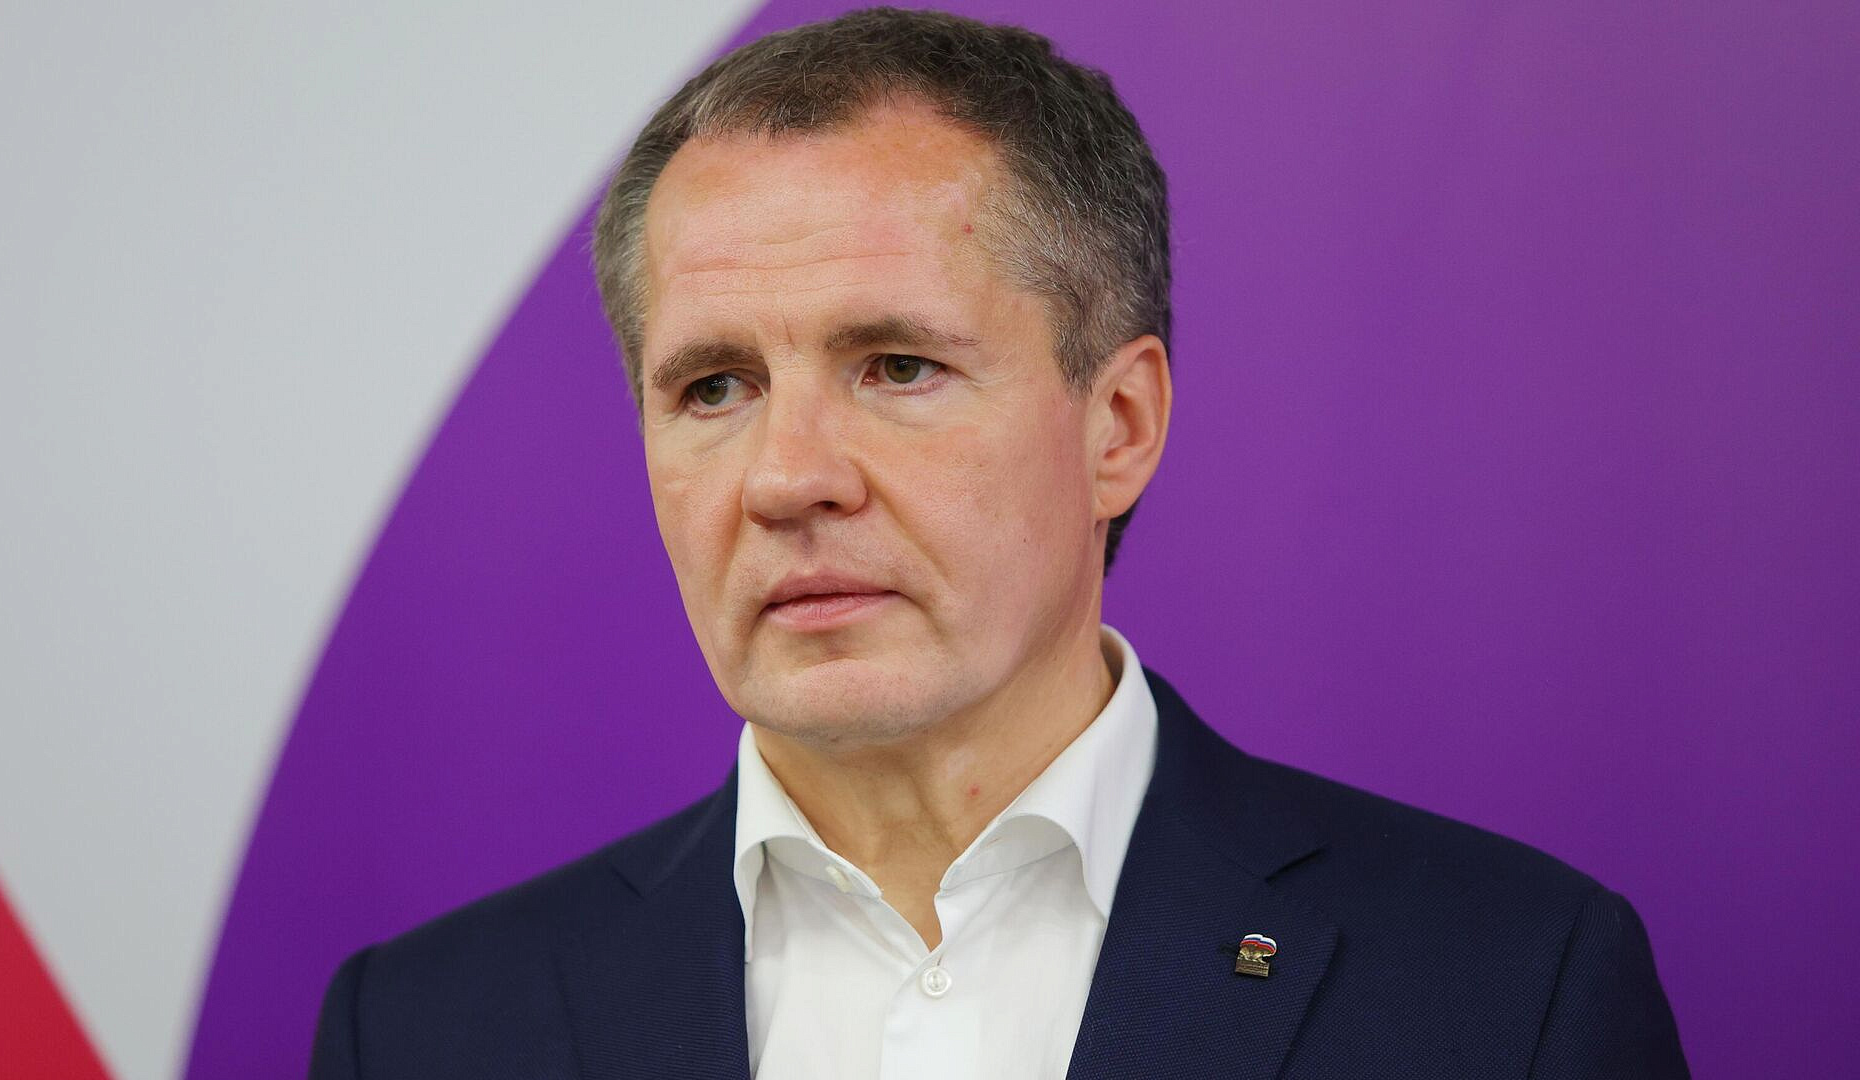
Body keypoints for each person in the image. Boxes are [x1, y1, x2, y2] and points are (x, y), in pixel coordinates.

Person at [309, 8, 1688, 1078]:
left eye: (899, 366)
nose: (787, 477)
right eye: (714, 386)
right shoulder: (427, 1030)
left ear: (1119, 425)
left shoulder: (1506, 987)